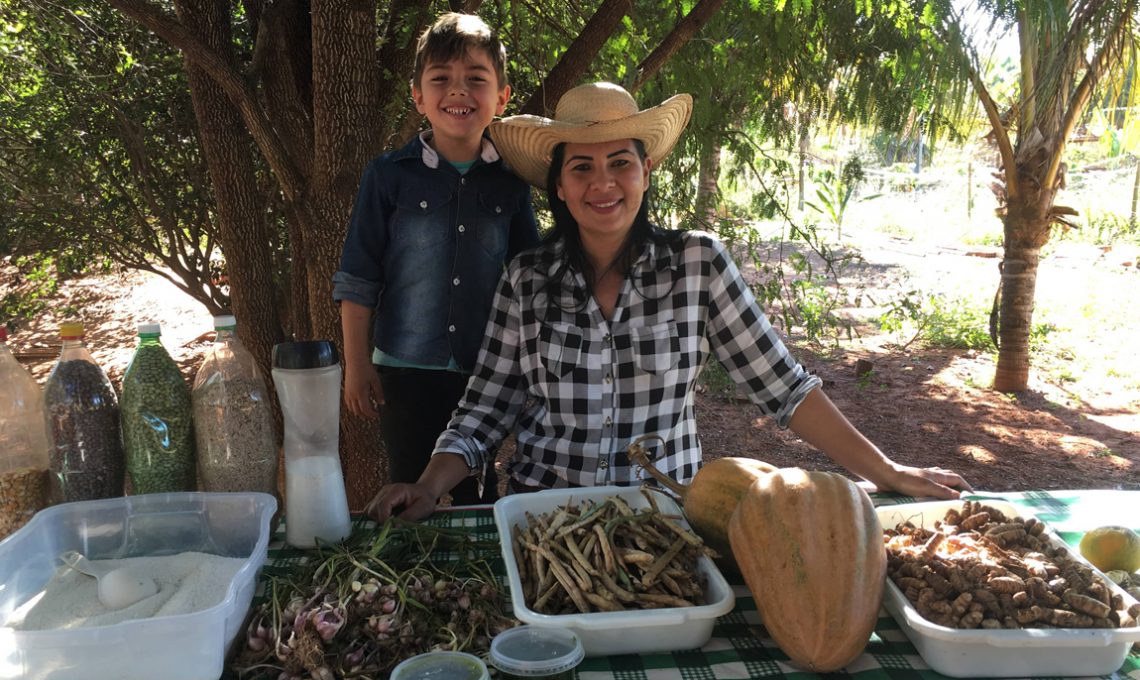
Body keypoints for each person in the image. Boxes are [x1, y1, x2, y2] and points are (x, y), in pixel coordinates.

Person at [365, 82, 971, 521]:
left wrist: (887, 473)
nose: (602, 183)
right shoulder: (527, 279)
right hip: (542, 519)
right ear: (559, 186)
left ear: (646, 171)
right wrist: (428, 484)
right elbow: (484, 411)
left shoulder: (698, 265)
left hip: (664, 519)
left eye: (619, 163)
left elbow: (785, 389)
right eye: (581, 168)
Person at [333, 13, 539, 505]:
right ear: (419, 96)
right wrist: (357, 365)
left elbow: (529, 276)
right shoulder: (389, 176)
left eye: (476, 79)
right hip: (405, 369)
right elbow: (359, 276)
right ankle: (416, 578)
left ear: (502, 97)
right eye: (441, 79)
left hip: (485, 369)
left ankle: (474, 582)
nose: (458, 91)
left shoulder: (512, 181)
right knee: (410, 483)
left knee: (476, 489)